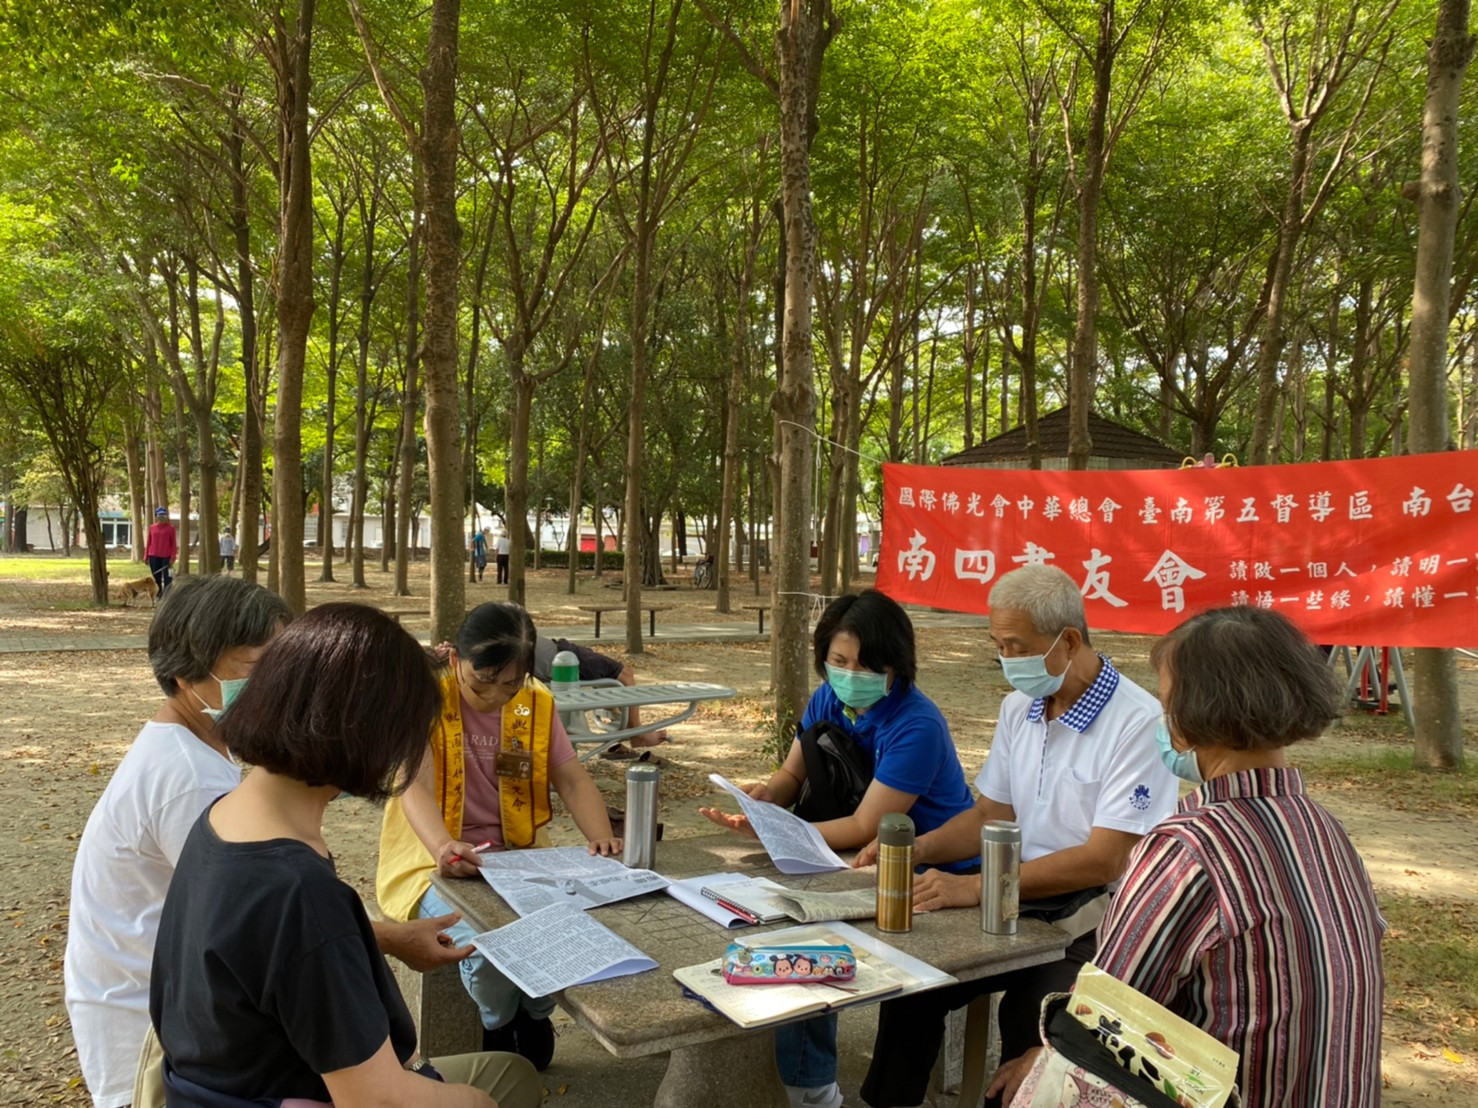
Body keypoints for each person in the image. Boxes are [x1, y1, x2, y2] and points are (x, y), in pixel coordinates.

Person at [64, 577, 472, 1108]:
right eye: (260, 667)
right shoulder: (196, 786)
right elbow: (376, 1095)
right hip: (176, 1041)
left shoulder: (223, 799)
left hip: (212, 1046)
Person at [149, 604, 542, 1108]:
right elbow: (379, 1101)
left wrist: (386, 938)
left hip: (225, 1086)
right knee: (498, 1089)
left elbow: (267, 951)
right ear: (369, 736)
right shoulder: (301, 893)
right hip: (299, 1093)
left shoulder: (223, 819)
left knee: (511, 1073)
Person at [991, 607, 1385, 1106]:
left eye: (1166, 703)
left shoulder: (1188, 848)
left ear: (1193, 716)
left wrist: (1039, 1057)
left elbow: (1102, 1016)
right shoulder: (1325, 830)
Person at [854, 565, 1178, 1108]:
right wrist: (916, 850)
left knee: (1034, 1010)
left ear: (1068, 641)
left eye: (1016, 646)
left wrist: (978, 887)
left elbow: (1106, 860)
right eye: (998, 645)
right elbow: (990, 814)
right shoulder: (1019, 707)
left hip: (1094, 917)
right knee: (913, 981)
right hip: (1013, 896)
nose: (1007, 659)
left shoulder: (1137, 721)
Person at [700, 589, 977, 1108]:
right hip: (851, 858)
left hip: (932, 868)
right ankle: (806, 1076)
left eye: (867, 664)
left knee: (804, 931)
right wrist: (764, 802)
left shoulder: (916, 724)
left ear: (897, 664)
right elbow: (791, 774)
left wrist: (777, 832)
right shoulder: (829, 698)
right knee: (768, 913)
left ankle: (812, 1089)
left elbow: (867, 826)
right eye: (840, 661)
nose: (851, 674)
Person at [377, 602, 622, 1070]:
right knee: (486, 942)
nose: (492, 697)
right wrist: (443, 847)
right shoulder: (423, 701)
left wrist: (601, 839)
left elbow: (571, 777)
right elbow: (414, 787)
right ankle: (499, 1020)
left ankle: (535, 1010)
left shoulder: (535, 704)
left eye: (508, 684)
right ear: (455, 660)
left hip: (519, 857)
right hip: (432, 860)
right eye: (480, 682)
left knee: (569, 926)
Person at [531, 634, 667, 757]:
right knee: (626, 674)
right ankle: (638, 734)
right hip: (561, 655)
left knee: (611, 680)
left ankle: (623, 722)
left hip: (556, 656)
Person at [144, 508, 176, 596]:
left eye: (163, 515)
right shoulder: (152, 527)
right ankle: (159, 593)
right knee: (156, 576)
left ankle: (167, 594)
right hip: (153, 555)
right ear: (156, 517)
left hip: (166, 556)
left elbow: (173, 543)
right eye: (159, 515)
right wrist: (146, 556)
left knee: (168, 577)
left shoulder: (171, 528)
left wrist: (173, 557)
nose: (161, 517)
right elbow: (149, 542)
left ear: (166, 516)